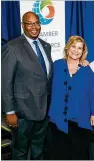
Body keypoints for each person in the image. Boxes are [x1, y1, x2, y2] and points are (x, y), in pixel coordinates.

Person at [1, 11, 53, 159]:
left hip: (43, 110)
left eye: (37, 23)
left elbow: (45, 76)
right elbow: (5, 81)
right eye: (29, 24)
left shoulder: (45, 45)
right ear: (23, 25)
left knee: (38, 149)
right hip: (22, 112)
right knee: (20, 151)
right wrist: (9, 111)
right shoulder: (12, 47)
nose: (34, 27)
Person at [46, 36, 94, 160]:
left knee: (78, 153)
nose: (76, 50)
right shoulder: (57, 65)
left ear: (83, 51)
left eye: (79, 48)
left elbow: (91, 93)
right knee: (60, 154)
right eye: (73, 46)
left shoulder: (87, 70)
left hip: (80, 119)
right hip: (58, 119)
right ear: (68, 47)